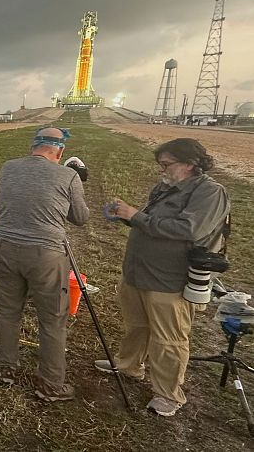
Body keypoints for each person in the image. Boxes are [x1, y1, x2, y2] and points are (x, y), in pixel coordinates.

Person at [95, 138, 229, 417]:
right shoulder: (166, 188)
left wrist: (137, 217)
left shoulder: (210, 192)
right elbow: (151, 221)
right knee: (137, 325)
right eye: (160, 165)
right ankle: (129, 364)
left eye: (166, 164)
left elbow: (189, 230)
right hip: (138, 272)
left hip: (169, 280)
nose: (161, 170)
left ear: (190, 164)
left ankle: (168, 394)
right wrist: (126, 215)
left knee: (168, 339)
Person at [0, 127, 89, 402]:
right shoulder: (68, 175)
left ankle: (6, 369)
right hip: (46, 254)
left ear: (32, 146)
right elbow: (80, 218)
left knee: (9, 310)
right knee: (52, 319)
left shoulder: (8, 168)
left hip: (6, 246)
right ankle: (50, 385)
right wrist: (77, 183)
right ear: (60, 151)